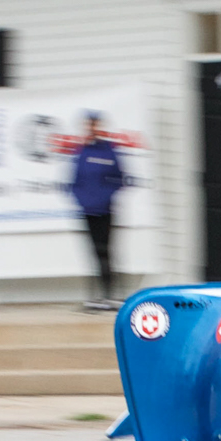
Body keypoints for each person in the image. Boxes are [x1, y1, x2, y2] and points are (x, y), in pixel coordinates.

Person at [68, 110, 126, 310]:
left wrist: (106, 196)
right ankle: (96, 298)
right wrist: (83, 201)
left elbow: (120, 178)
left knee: (107, 251)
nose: (92, 129)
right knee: (93, 253)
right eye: (89, 125)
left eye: (95, 125)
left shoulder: (109, 150)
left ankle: (111, 295)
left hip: (106, 210)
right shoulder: (81, 152)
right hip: (88, 211)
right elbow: (73, 182)